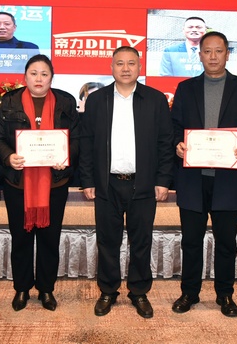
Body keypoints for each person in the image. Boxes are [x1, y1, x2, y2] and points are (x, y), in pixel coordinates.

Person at [170, 32, 237, 317]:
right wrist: (178, 143)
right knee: (191, 241)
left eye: (218, 51)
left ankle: (225, 294)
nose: (212, 56)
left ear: (227, 54)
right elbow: (174, 126)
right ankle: (189, 292)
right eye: (207, 51)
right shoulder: (186, 88)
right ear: (199, 55)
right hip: (192, 178)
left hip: (228, 180)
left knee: (226, 243)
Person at [79, 46, 173, 319]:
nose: (125, 68)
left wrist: (163, 180)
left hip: (143, 183)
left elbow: (165, 142)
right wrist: (87, 180)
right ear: (111, 68)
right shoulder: (97, 100)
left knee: (141, 241)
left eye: (131, 63)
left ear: (140, 68)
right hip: (106, 183)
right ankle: (108, 290)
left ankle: (139, 291)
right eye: (119, 63)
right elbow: (86, 142)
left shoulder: (155, 99)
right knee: (107, 241)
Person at [0, 55, 80, 311]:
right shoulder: (9, 102)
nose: (39, 79)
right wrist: (8, 157)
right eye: (33, 73)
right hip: (18, 183)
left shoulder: (65, 102)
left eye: (44, 74)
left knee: (50, 239)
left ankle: (46, 289)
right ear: (25, 76)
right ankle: (21, 288)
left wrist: (66, 156)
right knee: (21, 238)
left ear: (52, 77)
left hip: (55, 184)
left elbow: (77, 138)